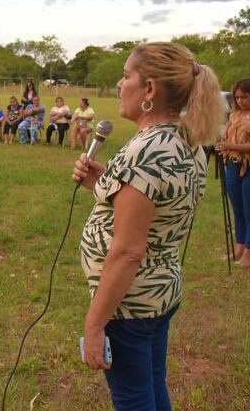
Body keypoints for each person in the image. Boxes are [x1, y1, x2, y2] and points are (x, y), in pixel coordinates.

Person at [72, 42, 223, 411]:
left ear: (150, 89)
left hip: (131, 302)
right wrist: (105, 182)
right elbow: (159, 204)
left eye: (126, 76)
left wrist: (94, 325)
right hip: (158, 291)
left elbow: (127, 252)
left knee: (134, 399)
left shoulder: (145, 151)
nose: (120, 85)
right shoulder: (183, 139)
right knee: (151, 387)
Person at [216, 78, 250, 268]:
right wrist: (222, 144)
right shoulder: (234, 116)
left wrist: (230, 145)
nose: (240, 101)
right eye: (237, 97)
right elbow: (226, 137)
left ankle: (248, 254)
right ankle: (239, 249)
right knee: (238, 211)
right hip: (232, 165)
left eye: (244, 97)